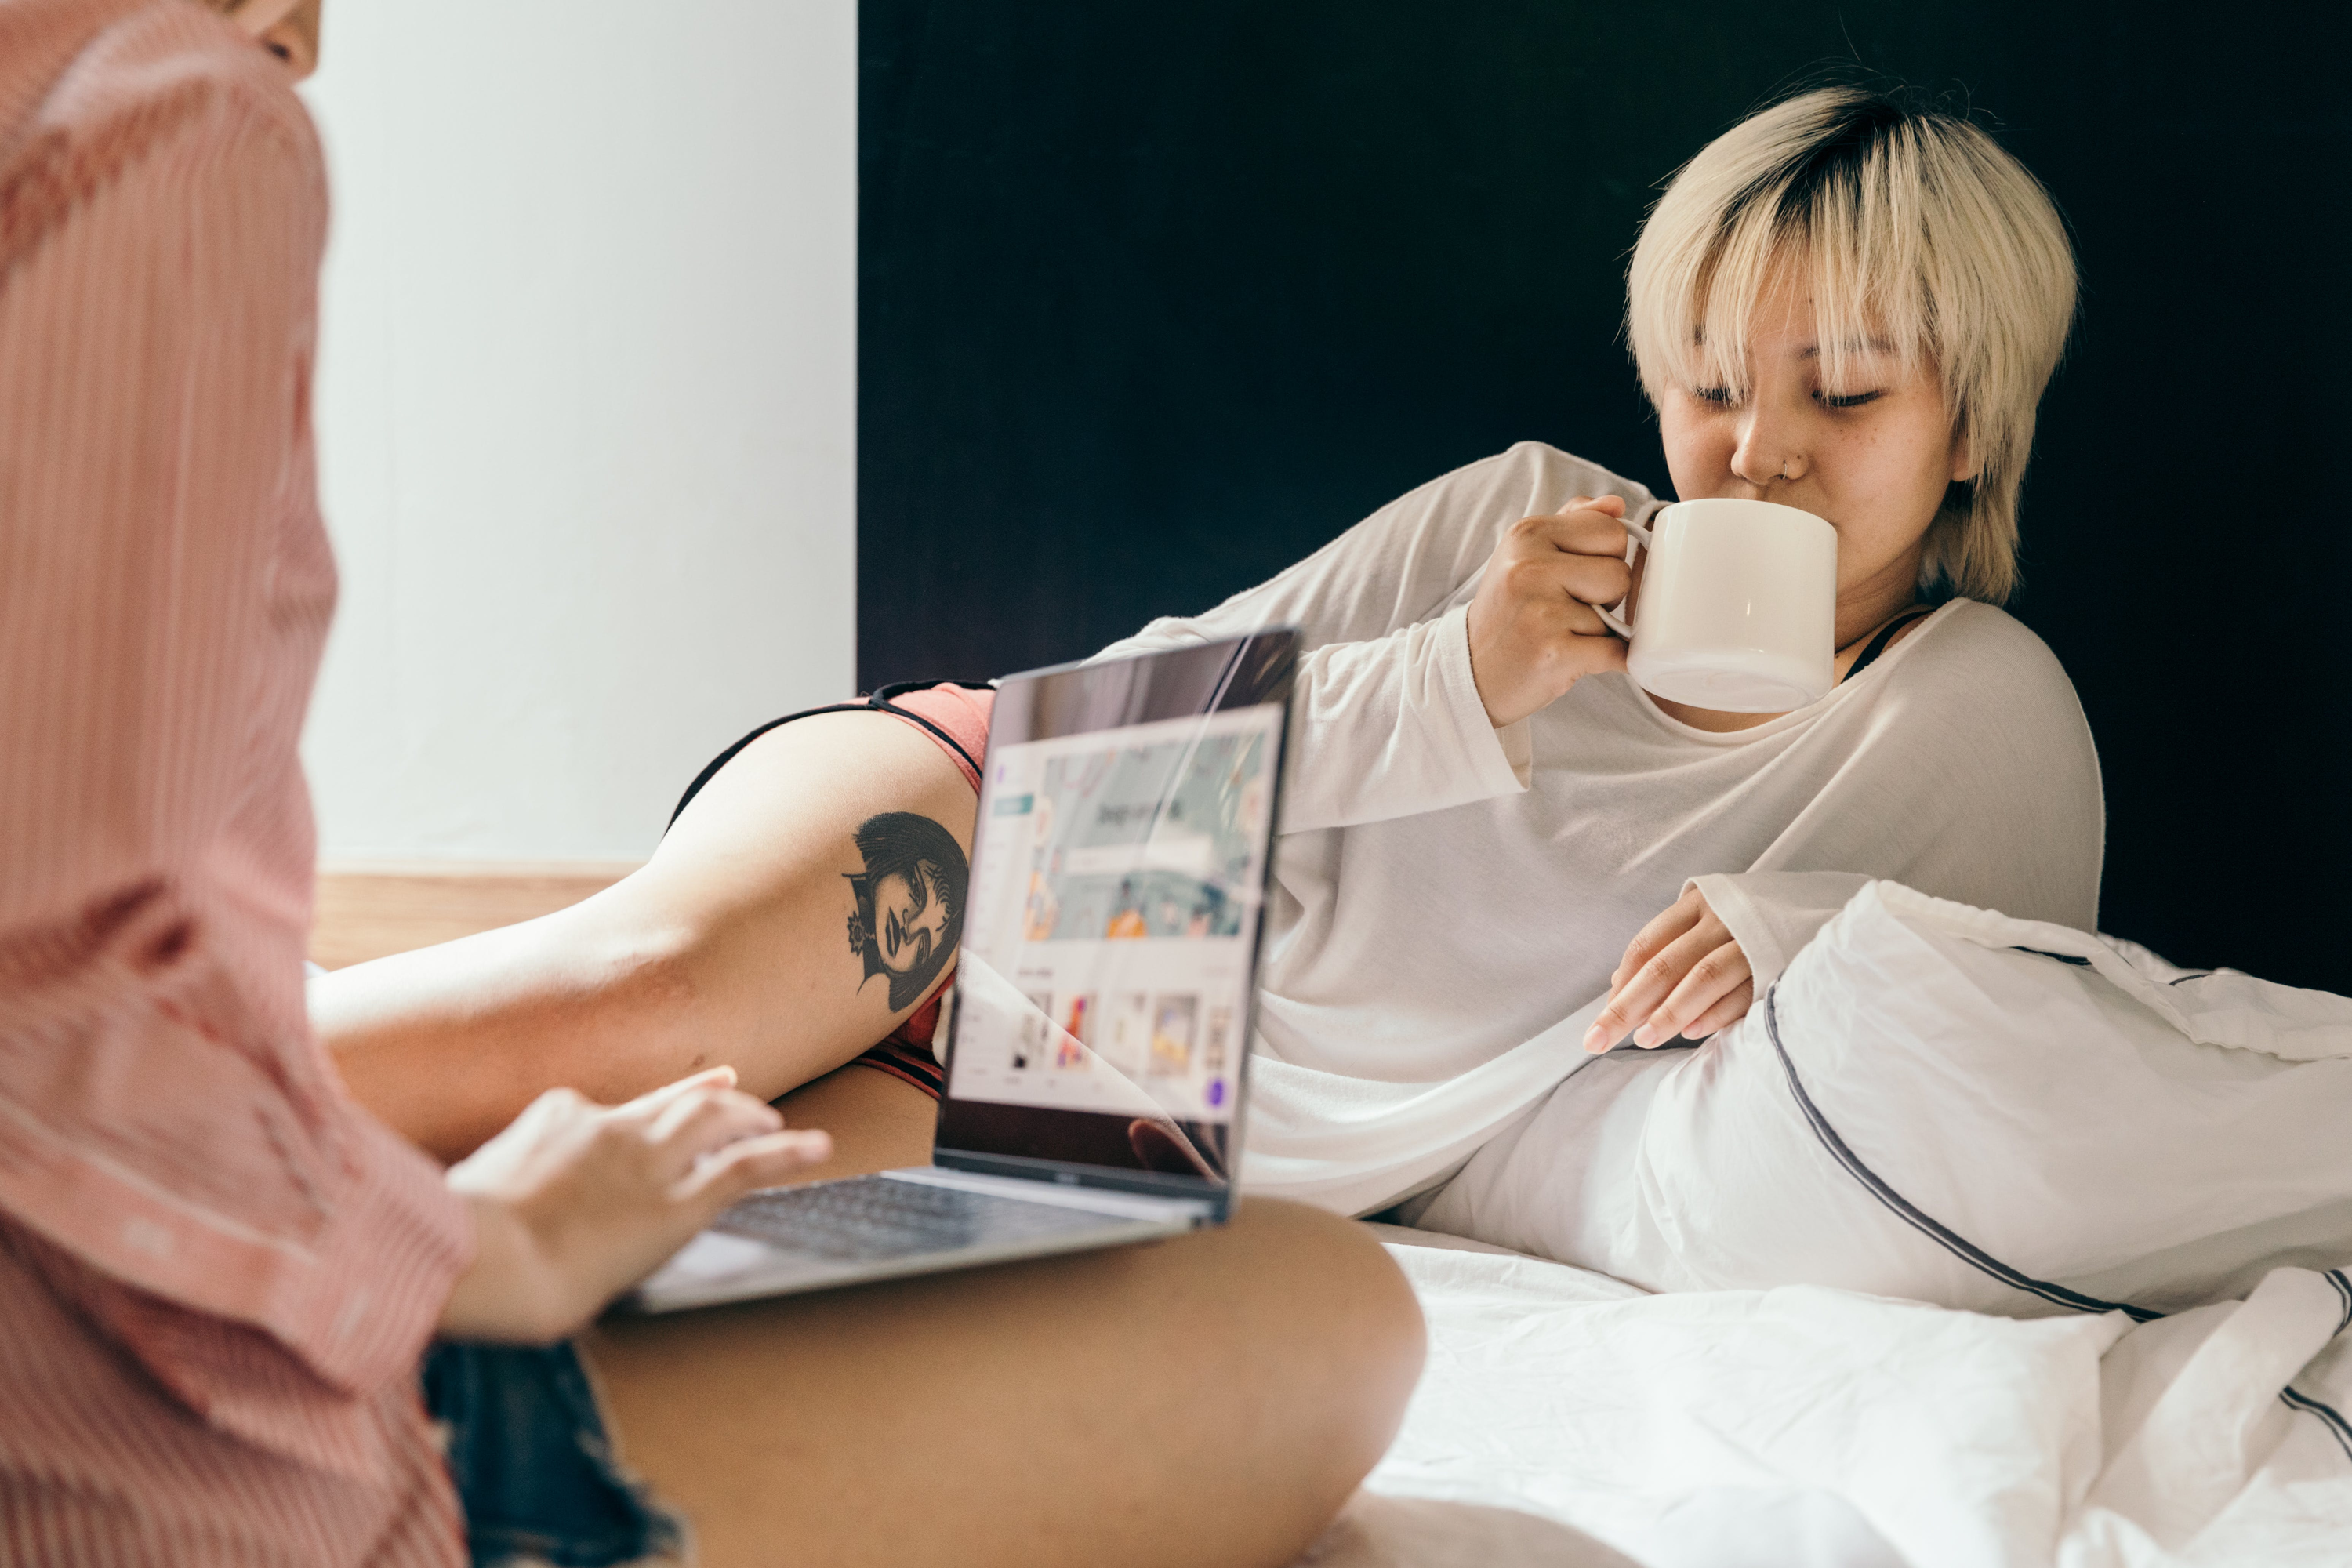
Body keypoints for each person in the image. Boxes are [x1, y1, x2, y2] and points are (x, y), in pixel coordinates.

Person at [0, 2, 1425, 1563]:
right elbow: (1195, 690)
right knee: (664, 1018)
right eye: (1702, 375)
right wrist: (467, 1249)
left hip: (1098, 1100)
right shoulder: (151, 113)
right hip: (1049, 836)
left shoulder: (1747, 871)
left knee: (782, 1195)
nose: (302, 35)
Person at [318, 87, 2095, 1223]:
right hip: (1021, 834)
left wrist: (1788, 937)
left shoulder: (1983, 724)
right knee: (630, 1004)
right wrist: (1459, 677)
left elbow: (1978, 1050)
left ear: (1969, 427)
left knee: (575, 1208)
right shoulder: (1531, 522)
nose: (1757, 449)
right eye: (1708, 381)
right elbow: (1112, 738)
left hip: (1148, 1119)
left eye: (1844, 391)